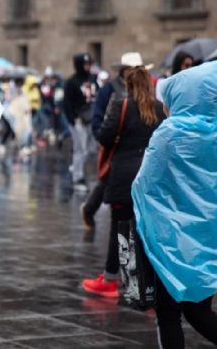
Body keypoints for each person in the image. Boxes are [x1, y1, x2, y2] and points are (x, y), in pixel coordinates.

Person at [133, 60, 217, 349]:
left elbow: (144, 183)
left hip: (170, 242)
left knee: (168, 313)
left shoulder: (168, 135)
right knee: (199, 310)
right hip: (207, 242)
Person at [81, 66, 165, 298]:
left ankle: (110, 280)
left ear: (128, 85)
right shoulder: (159, 108)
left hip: (123, 178)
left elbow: (104, 137)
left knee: (119, 229)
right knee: (146, 231)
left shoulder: (122, 105)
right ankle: (149, 285)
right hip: (149, 178)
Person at [81, 52, 148, 231]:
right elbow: (98, 116)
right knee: (108, 177)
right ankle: (90, 209)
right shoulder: (110, 89)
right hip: (114, 141)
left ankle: (90, 209)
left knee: (111, 180)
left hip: (133, 144)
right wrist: (103, 137)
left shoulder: (145, 89)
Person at [63, 53, 97, 192]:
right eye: (85, 64)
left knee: (91, 149)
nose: (88, 67)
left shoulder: (92, 79)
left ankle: (79, 169)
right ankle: (78, 177)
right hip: (78, 120)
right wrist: (73, 118)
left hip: (91, 118)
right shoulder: (71, 82)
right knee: (80, 149)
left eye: (89, 64)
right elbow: (66, 102)